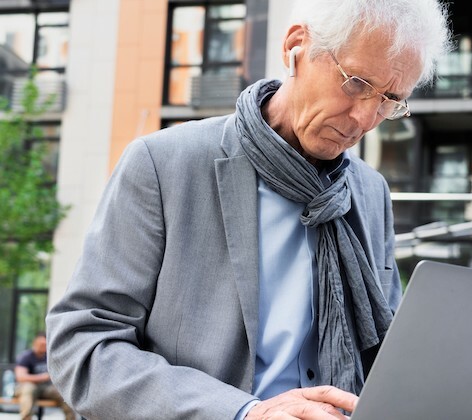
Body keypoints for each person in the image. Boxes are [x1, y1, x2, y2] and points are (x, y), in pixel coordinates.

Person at [46, 0, 451, 418]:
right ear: (296, 47)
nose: (366, 118)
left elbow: (389, 356)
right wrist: (244, 413)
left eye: (389, 99)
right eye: (356, 83)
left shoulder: (369, 192)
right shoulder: (163, 164)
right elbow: (84, 344)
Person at [14, 332, 75, 420]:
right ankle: (26, 418)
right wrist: (42, 377)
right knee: (29, 388)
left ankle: (71, 418)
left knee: (63, 393)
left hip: (45, 388)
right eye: (41, 344)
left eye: (45, 344)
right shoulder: (26, 357)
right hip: (26, 387)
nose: (43, 346)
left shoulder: (49, 357)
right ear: (35, 343)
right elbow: (21, 377)